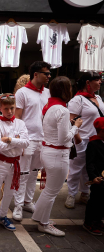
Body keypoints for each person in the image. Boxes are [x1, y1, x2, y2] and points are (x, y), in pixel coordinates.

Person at [32, 77, 82, 236]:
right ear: (65, 90)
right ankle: (43, 223)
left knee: (49, 190)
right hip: (57, 154)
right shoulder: (62, 110)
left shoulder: (49, 106)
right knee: (51, 191)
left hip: (49, 151)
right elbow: (64, 138)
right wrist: (75, 127)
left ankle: (40, 217)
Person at [0, 93, 29, 235]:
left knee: (10, 190)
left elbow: (26, 142)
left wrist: (9, 140)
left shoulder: (20, 123)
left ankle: (2, 216)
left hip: (15, 162)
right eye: (6, 108)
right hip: (1, 162)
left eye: (12, 108)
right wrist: (16, 143)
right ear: (0, 108)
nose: (9, 111)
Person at [13, 61, 51, 221]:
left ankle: (28, 201)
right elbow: (17, 117)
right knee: (23, 173)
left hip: (42, 138)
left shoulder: (48, 92)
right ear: (36, 74)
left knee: (34, 172)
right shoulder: (22, 92)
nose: (49, 76)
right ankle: (18, 205)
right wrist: (18, 138)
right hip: (27, 139)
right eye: (46, 73)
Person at [65, 72, 104, 209]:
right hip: (81, 138)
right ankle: (71, 194)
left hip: (96, 139)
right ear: (88, 82)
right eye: (97, 80)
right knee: (76, 168)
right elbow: (71, 121)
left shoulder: (98, 97)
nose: (100, 82)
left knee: (90, 168)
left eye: (100, 80)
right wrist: (78, 140)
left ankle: (85, 193)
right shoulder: (77, 100)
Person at [83, 117, 104, 235]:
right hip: (98, 178)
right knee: (95, 201)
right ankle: (89, 222)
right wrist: (93, 177)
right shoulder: (93, 144)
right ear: (100, 131)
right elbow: (89, 163)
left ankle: (98, 220)